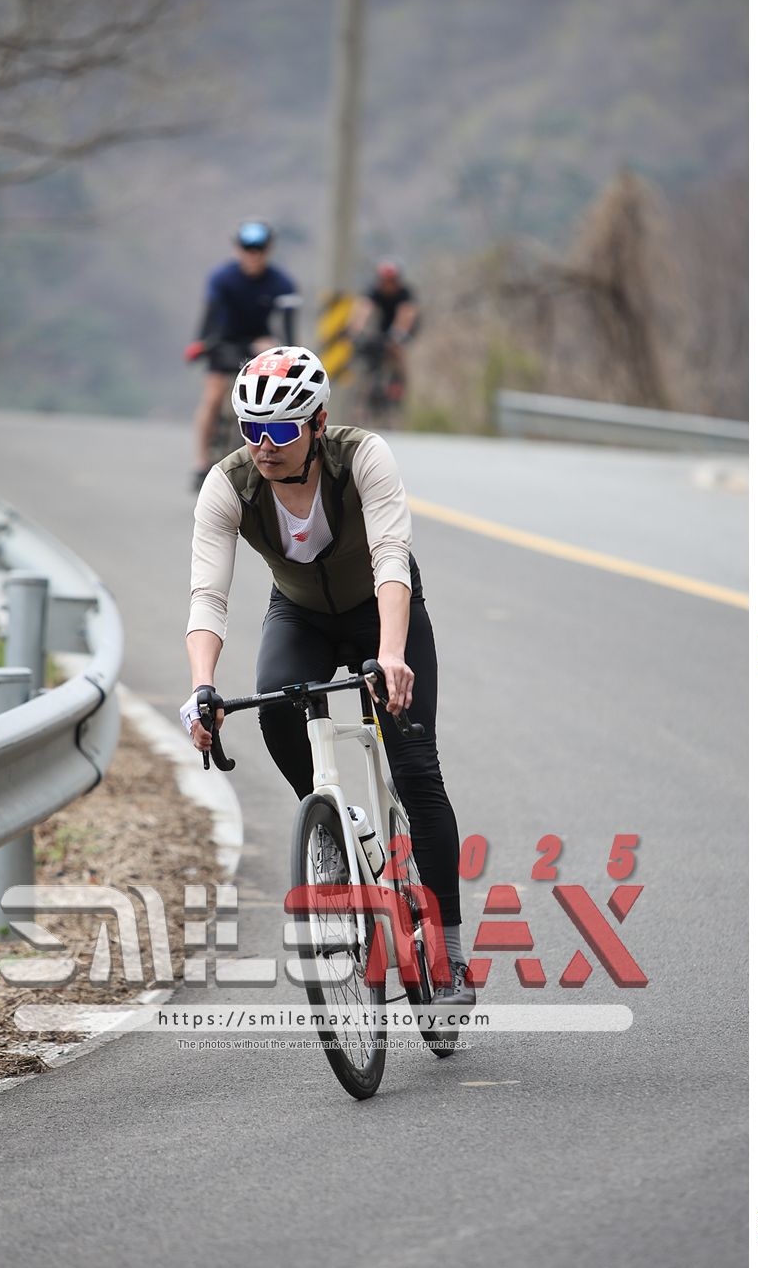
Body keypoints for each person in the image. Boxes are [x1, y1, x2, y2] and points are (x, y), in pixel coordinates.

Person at [179, 345, 475, 1005]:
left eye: (281, 430)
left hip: (383, 609)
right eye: (250, 429)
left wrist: (392, 653)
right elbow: (208, 597)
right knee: (277, 708)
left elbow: (391, 555)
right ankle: (334, 833)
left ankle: (450, 955)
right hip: (301, 614)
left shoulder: (362, 456)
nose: (264, 445)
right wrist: (202, 686)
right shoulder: (228, 485)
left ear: (317, 424)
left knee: (416, 771)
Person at [184, 219, 302, 490]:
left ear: (269, 250)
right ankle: (201, 462)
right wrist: (201, 344)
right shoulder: (222, 277)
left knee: (264, 395)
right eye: (248, 248)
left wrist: (289, 353)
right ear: (238, 249)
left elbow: (288, 329)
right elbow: (210, 315)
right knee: (213, 395)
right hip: (223, 341)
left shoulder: (282, 282)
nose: (253, 255)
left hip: (256, 343)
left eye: (259, 249)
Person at [345, 256, 419, 416]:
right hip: (383, 325)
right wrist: (354, 331)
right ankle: (362, 399)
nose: (387, 285)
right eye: (384, 281)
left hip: (404, 325)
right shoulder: (375, 291)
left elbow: (406, 314)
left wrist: (398, 335)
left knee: (396, 350)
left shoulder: (405, 293)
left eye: (391, 281)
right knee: (368, 352)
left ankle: (398, 384)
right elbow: (363, 309)